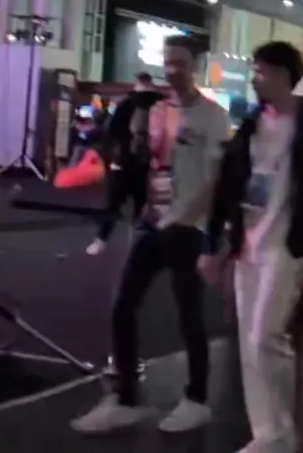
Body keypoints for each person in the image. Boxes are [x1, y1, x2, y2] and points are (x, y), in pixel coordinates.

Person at [72, 37, 230, 434]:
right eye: (168, 62)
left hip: (187, 227)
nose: (172, 70)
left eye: (180, 63)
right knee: (123, 305)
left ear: (196, 66)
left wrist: (193, 219)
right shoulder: (157, 111)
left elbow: (217, 178)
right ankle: (125, 398)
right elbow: (149, 164)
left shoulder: (213, 116)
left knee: (189, 312)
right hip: (151, 221)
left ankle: (197, 399)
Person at [199, 41, 303, 453]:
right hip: (248, 244)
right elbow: (228, 186)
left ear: (283, 75)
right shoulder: (252, 124)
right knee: (249, 342)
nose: (254, 78)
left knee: (266, 337)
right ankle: (268, 431)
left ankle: (279, 431)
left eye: (261, 71)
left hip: (286, 246)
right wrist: (214, 243)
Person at [87, 73, 166, 256]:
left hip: (125, 162)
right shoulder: (162, 105)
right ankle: (137, 244)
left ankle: (101, 240)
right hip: (150, 164)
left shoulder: (127, 104)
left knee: (113, 204)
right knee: (142, 207)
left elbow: (111, 133)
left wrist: (110, 160)